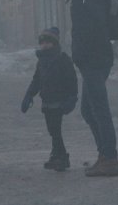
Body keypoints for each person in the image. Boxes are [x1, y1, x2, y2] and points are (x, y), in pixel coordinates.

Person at [59, 0, 118, 177]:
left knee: (99, 109)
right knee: (88, 109)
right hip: (98, 58)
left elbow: (87, 30)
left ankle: (110, 158)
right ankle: (105, 156)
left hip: (93, 60)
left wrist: (79, 55)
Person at [20, 27, 78, 172]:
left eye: (48, 42)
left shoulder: (62, 60)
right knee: (52, 130)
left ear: (54, 43)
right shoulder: (41, 62)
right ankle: (56, 154)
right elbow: (37, 80)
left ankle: (62, 157)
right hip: (47, 102)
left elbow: (71, 80)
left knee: (55, 130)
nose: (45, 45)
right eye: (42, 43)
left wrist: (72, 98)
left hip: (59, 102)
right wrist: (29, 95)